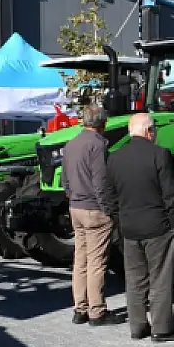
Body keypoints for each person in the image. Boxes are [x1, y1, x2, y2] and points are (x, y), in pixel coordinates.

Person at [107, 112, 174, 342]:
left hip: (129, 228)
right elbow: (170, 194)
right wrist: (173, 221)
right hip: (158, 226)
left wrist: (119, 221)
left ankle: (138, 326)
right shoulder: (160, 155)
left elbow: (111, 197)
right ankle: (161, 329)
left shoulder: (115, 158)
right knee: (160, 278)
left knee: (135, 279)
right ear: (149, 132)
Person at [61, 102, 120, 326]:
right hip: (94, 208)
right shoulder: (99, 145)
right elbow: (100, 181)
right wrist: (109, 209)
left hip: (75, 206)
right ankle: (97, 311)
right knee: (97, 262)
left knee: (80, 260)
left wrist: (73, 196)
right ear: (103, 123)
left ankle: (80, 308)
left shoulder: (71, 144)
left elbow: (64, 180)